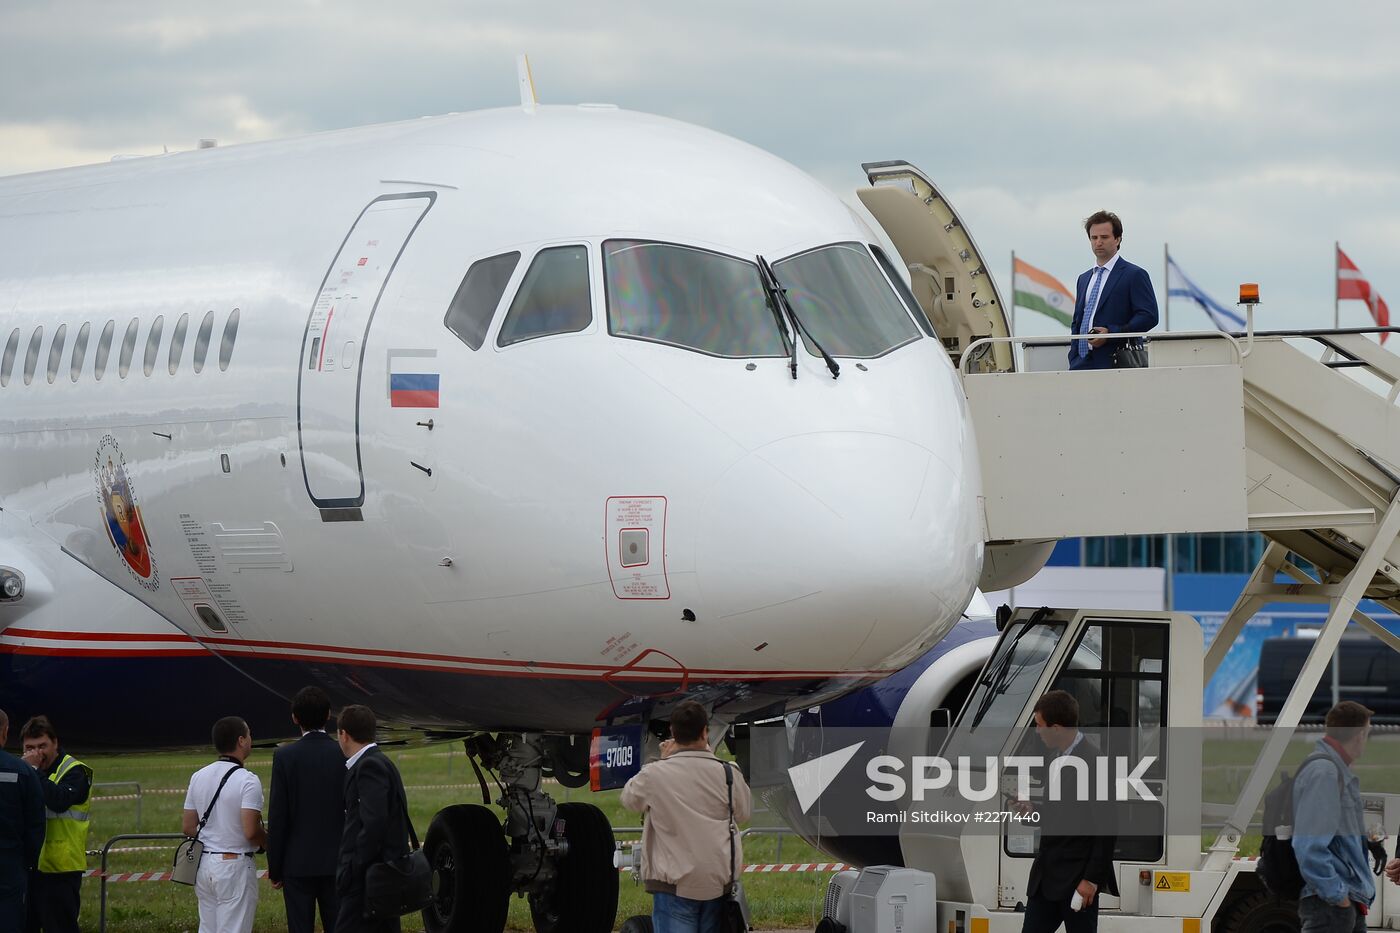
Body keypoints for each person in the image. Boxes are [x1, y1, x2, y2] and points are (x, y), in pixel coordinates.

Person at [620, 700, 752, 933]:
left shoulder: (656, 774)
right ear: (705, 732)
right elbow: (743, 813)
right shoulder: (728, 773)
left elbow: (629, 799)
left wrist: (661, 760)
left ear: (672, 732)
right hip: (716, 883)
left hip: (674, 885)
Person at [1018, 690, 1117, 933]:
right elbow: (1059, 815)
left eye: (1040, 726)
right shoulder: (1056, 757)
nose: (1037, 731)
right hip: (1047, 879)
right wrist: (1031, 811)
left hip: (1077, 881)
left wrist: (1091, 880)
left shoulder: (1094, 762)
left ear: (1057, 728)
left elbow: (1107, 826)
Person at [270, 686, 346, 933]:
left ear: (294, 717)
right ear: (328, 715)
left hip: (297, 861)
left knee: (299, 927)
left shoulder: (284, 757)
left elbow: (279, 815)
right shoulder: (343, 753)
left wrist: (275, 866)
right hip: (337, 859)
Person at [1294, 701, 1374, 933]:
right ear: (1358, 735)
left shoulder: (1334, 771)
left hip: (1345, 901)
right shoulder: (1325, 773)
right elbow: (1308, 845)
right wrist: (1337, 896)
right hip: (1331, 906)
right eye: (1367, 733)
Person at [182, 716, 267, 933]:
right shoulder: (248, 780)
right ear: (241, 740)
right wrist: (268, 843)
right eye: (249, 735)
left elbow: (188, 826)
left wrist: (214, 834)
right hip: (234, 865)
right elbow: (251, 830)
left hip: (205, 864)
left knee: (208, 928)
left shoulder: (199, 776)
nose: (250, 739)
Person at [335, 705, 410, 933]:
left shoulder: (368, 765)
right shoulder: (380, 761)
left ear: (344, 734)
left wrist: (355, 865)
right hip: (381, 873)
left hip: (369, 876)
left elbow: (374, 821)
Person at [20, 715, 92, 933]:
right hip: (30, 865)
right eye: (30, 747)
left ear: (55, 743)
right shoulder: (22, 769)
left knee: (60, 926)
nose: (36, 753)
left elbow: (59, 801)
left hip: (61, 867)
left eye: (42, 746)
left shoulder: (75, 771)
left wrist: (34, 772)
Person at [1067, 210, 1159, 371]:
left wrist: (1111, 333)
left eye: (1104, 237)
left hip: (1118, 361)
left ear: (1118, 239)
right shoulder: (1084, 278)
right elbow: (1077, 321)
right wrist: (1074, 354)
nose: (1098, 242)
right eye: (1094, 238)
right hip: (1081, 362)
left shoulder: (1134, 274)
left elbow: (1149, 316)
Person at [0, 710, 45, 932]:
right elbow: (36, 824)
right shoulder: (23, 771)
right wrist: (26, 862)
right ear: (5, 732)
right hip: (10, 864)